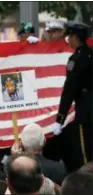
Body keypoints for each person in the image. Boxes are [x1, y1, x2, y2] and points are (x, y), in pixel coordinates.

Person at [52, 21, 92, 172]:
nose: (67, 39)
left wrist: (60, 119)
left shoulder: (75, 60)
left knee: (86, 154)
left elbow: (69, 91)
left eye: (69, 35)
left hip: (86, 114)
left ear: (75, 37)